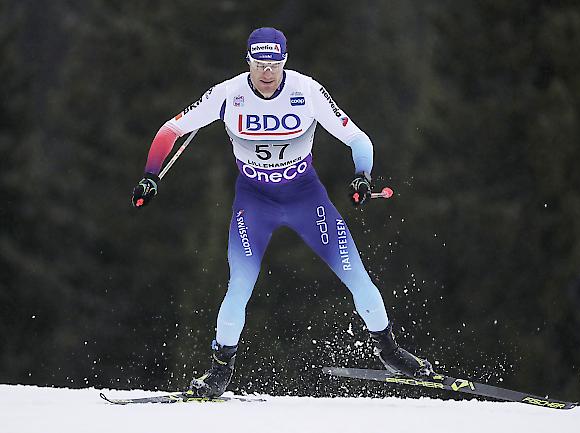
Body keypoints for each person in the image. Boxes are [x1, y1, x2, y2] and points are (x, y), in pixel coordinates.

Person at [131, 27, 432, 397]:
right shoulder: (228, 94)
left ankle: (389, 351)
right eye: (260, 64)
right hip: (255, 202)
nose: (267, 73)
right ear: (249, 63)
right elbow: (171, 129)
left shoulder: (307, 91)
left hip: (306, 199)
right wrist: (151, 174)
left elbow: (358, 138)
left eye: (274, 64)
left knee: (356, 274)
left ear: (285, 61)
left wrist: (362, 175)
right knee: (239, 284)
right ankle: (220, 370)